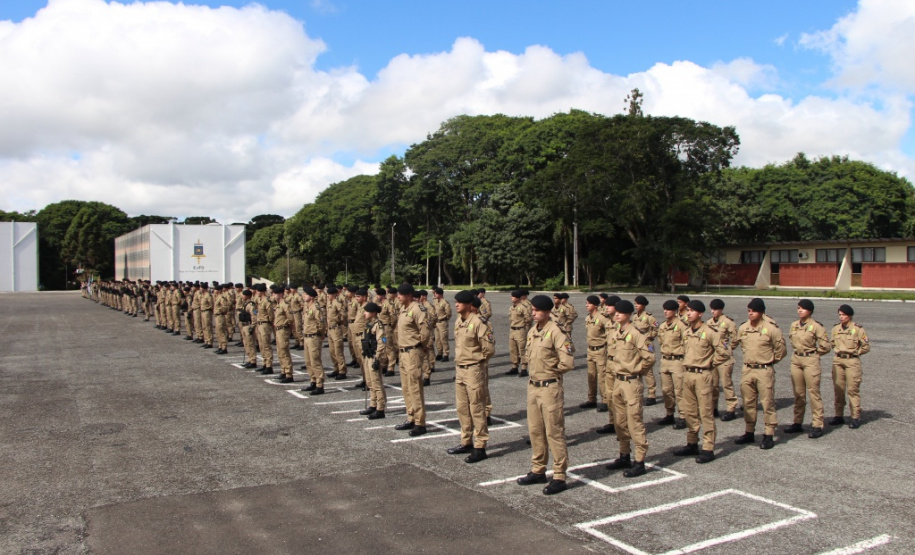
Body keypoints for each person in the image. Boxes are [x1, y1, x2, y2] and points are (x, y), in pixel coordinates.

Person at [516, 295, 574, 495]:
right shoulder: (533, 330)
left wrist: (552, 372)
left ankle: (559, 475)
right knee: (535, 430)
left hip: (550, 387)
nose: (533, 313)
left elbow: (567, 362)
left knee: (554, 432)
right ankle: (538, 469)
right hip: (533, 386)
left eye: (537, 310)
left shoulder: (556, 331)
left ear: (547, 312)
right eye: (532, 310)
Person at [605, 300, 655, 477]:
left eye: (620, 312)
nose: (617, 314)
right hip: (618, 381)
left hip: (631, 383)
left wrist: (637, 370)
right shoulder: (615, 332)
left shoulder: (636, 334)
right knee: (620, 422)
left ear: (628, 315)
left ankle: (639, 461)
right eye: (616, 312)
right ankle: (624, 455)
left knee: (634, 421)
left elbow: (649, 357)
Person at [675, 300, 729, 463]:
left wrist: (710, 363)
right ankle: (692, 443)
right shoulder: (687, 332)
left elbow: (724, 353)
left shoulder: (710, 332)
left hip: (703, 375)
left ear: (700, 314)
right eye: (688, 310)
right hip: (688, 374)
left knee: (705, 413)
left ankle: (708, 448)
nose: (688, 313)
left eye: (692, 311)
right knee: (690, 411)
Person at [447, 290, 496, 463]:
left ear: (469, 305)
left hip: (474, 369)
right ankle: (466, 441)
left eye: (459, 302)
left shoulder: (479, 322)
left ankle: (480, 446)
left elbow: (489, 349)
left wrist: (478, 362)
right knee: (462, 408)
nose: (456, 305)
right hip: (460, 369)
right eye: (456, 302)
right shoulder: (459, 321)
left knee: (477, 408)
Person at [733, 298, 786, 449]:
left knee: (767, 403)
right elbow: (738, 344)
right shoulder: (743, 328)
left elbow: (781, 351)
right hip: (748, 369)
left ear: (762, 312)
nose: (750, 314)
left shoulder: (772, 329)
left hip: (764, 370)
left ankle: (769, 434)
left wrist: (769, 361)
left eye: (754, 311)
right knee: (748, 402)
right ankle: (749, 432)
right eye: (749, 311)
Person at [786, 299, 831, 438]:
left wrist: (815, 354)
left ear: (810, 311)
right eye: (798, 308)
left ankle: (817, 424)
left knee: (813, 393)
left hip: (810, 359)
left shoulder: (816, 326)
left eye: (803, 308)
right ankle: (797, 422)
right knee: (798, 393)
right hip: (796, 360)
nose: (800, 310)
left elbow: (826, 346)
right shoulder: (794, 325)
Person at [394, 284, 432, 436]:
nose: (398, 297)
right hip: (403, 352)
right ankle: (411, 417)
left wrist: (421, 346)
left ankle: (420, 423)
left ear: (409, 295)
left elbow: (425, 331)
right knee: (406, 387)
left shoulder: (418, 309)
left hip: (413, 352)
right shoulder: (403, 309)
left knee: (415, 388)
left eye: (400, 295)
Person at [830, 304, 870, 429]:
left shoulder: (857, 329)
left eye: (844, 315)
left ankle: (855, 417)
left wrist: (856, 352)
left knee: (853, 390)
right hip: (838, 360)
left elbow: (866, 346)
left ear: (850, 316)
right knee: (838, 389)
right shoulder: (836, 328)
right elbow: (832, 343)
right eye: (840, 315)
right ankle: (838, 415)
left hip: (852, 361)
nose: (841, 317)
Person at [706, 299, 738, 421]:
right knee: (713, 385)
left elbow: (735, 339)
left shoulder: (728, 322)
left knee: (726, 384)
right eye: (712, 309)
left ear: (721, 310)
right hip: (713, 357)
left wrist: (727, 349)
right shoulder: (709, 322)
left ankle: (731, 409)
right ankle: (713, 408)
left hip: (724, 359)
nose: (713, 311)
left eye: (715, 309)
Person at [656, 300, 687, 428]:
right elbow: (660, 341)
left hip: (677, 361)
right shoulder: (663, 326)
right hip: (665, 360)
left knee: (679, 390)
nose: (665, 312)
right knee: (666, 390)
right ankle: (669, 414)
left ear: (675, 311)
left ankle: (683, 416)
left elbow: (686, 344)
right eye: (664, 309)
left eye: (668, 310)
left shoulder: (681, 326)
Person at [359, 302, 388, 419]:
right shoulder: (368, 324)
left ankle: (380, 408)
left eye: (367, 311)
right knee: (370, 382)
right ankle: (373, 404)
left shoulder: (378, 325)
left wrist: (378, 357)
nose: (364, 313)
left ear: (373, 313)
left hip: (374, 356)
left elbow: (382, 341)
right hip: (368, 355)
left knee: (376, 383)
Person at [581, 295, 611, 410]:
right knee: (591, 376)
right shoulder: (588, 318)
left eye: (588, 303)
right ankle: (592, 399)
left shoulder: (602, 318)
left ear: (595, 305)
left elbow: (610, 332)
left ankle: (605, 401)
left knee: (602, 377)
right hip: (590, 350)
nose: (586, 305)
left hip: (600, 350)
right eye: (586, 303)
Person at [299, 286, 327, 395]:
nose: (303, 296)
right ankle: (313, 381)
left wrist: (321, 333)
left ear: (311, 296)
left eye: (305, 294)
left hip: (313, 337)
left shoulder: (316, 308)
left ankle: (320, 384)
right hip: (306, 336)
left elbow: (321, 323)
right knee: (308, 361)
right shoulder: (307, 307)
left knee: (315, 361)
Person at [632, 295, 659, 405]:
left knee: (648, 370)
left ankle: (651, 394)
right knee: (635, 367)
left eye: (638, 304)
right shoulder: (634, 316)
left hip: (647, 344)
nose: (636, 305)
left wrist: (650, 336)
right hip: (636, 345)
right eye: (635, 303)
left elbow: (656, 328)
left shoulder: (649, 317)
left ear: (643, 305)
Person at [507, 289, 532, 376]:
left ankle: (524, 368)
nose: (511, 298)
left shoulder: (523, 307)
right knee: (513, 349)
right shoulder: (511, 307)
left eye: (513, 296)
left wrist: (523, 326)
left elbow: (528, 319)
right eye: (511, 296)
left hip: (520, 330)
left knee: (522, 349)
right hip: (512, 330)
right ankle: (514, 366)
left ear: (518, 298)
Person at [271, 285, 294, 383]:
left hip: (283, 330)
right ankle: (283, 370)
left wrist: (285, 325)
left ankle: (289, 374)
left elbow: (290, 318)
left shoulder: (285, 304)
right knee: (280, 351)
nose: (273, 295)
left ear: (280, 294)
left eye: (275, 294)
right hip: (278, 330)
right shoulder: (278, 304)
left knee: (284, 351)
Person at [325, 286, 348, 379]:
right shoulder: (329, 303)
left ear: (335, 294)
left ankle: (342, 371)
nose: (328, 296)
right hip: (330, 329)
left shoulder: (337, 303)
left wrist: (338, 320)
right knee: (332, 351)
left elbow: (343, 314)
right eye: (328, 294)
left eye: (330, 294)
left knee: (338, 351)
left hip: (336, 329)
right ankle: (336, 368)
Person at [253, 283, 275, 375]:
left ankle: (269, 365)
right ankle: (264, 363)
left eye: (258, 291)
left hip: (265, 324)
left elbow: (270, 315)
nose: (257, 292)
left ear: (262, 292)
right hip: (259, 323)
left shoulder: (267, 301)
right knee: (261, 345)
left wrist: (269, 322)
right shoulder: (258, 300)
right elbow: (255, 311)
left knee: (266, 345)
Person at [238, 289, 258, 369]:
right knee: (246, 343)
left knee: (250, 344)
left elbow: (254, 315)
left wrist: (252, 326)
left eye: (243, 295)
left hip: (248, 325)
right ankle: (249, 359)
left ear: (247, 296)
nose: (242, 296)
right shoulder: (245, 303)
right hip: (244, 325)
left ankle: (253, 361)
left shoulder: (251, 305)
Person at [434, 287, 452, 362]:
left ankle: (446, 354)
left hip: (442, 322)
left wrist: (442, 318)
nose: (435, 295)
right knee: (437, 339)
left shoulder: (445, 303)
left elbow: (448, 314)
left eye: (436, 293)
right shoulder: (436, 301)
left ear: (440, 294)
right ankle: (439, 353)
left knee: (443, 339)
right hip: (436, 323)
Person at [214, 284, 230, 354]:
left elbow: (225, 307)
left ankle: (224, 347)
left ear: (219, 290)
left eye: (215, 290)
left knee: (221, 331)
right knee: (218, 332)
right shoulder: (217, 297)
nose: (214, 291)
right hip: (217, 316)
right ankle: (220, 346)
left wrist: (219, 311)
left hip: (220, 316)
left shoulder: (222, 298)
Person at [198, 283, 214, 348]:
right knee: (204, 327)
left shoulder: (208, 295)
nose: (200, 289)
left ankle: (210, 342)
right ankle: (206, 341)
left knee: (208, 327)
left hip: (207, 312)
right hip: (202, 311)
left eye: (201, 287)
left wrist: (207, 309)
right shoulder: (202, 295)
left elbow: (211, 305)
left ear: (204, 288)